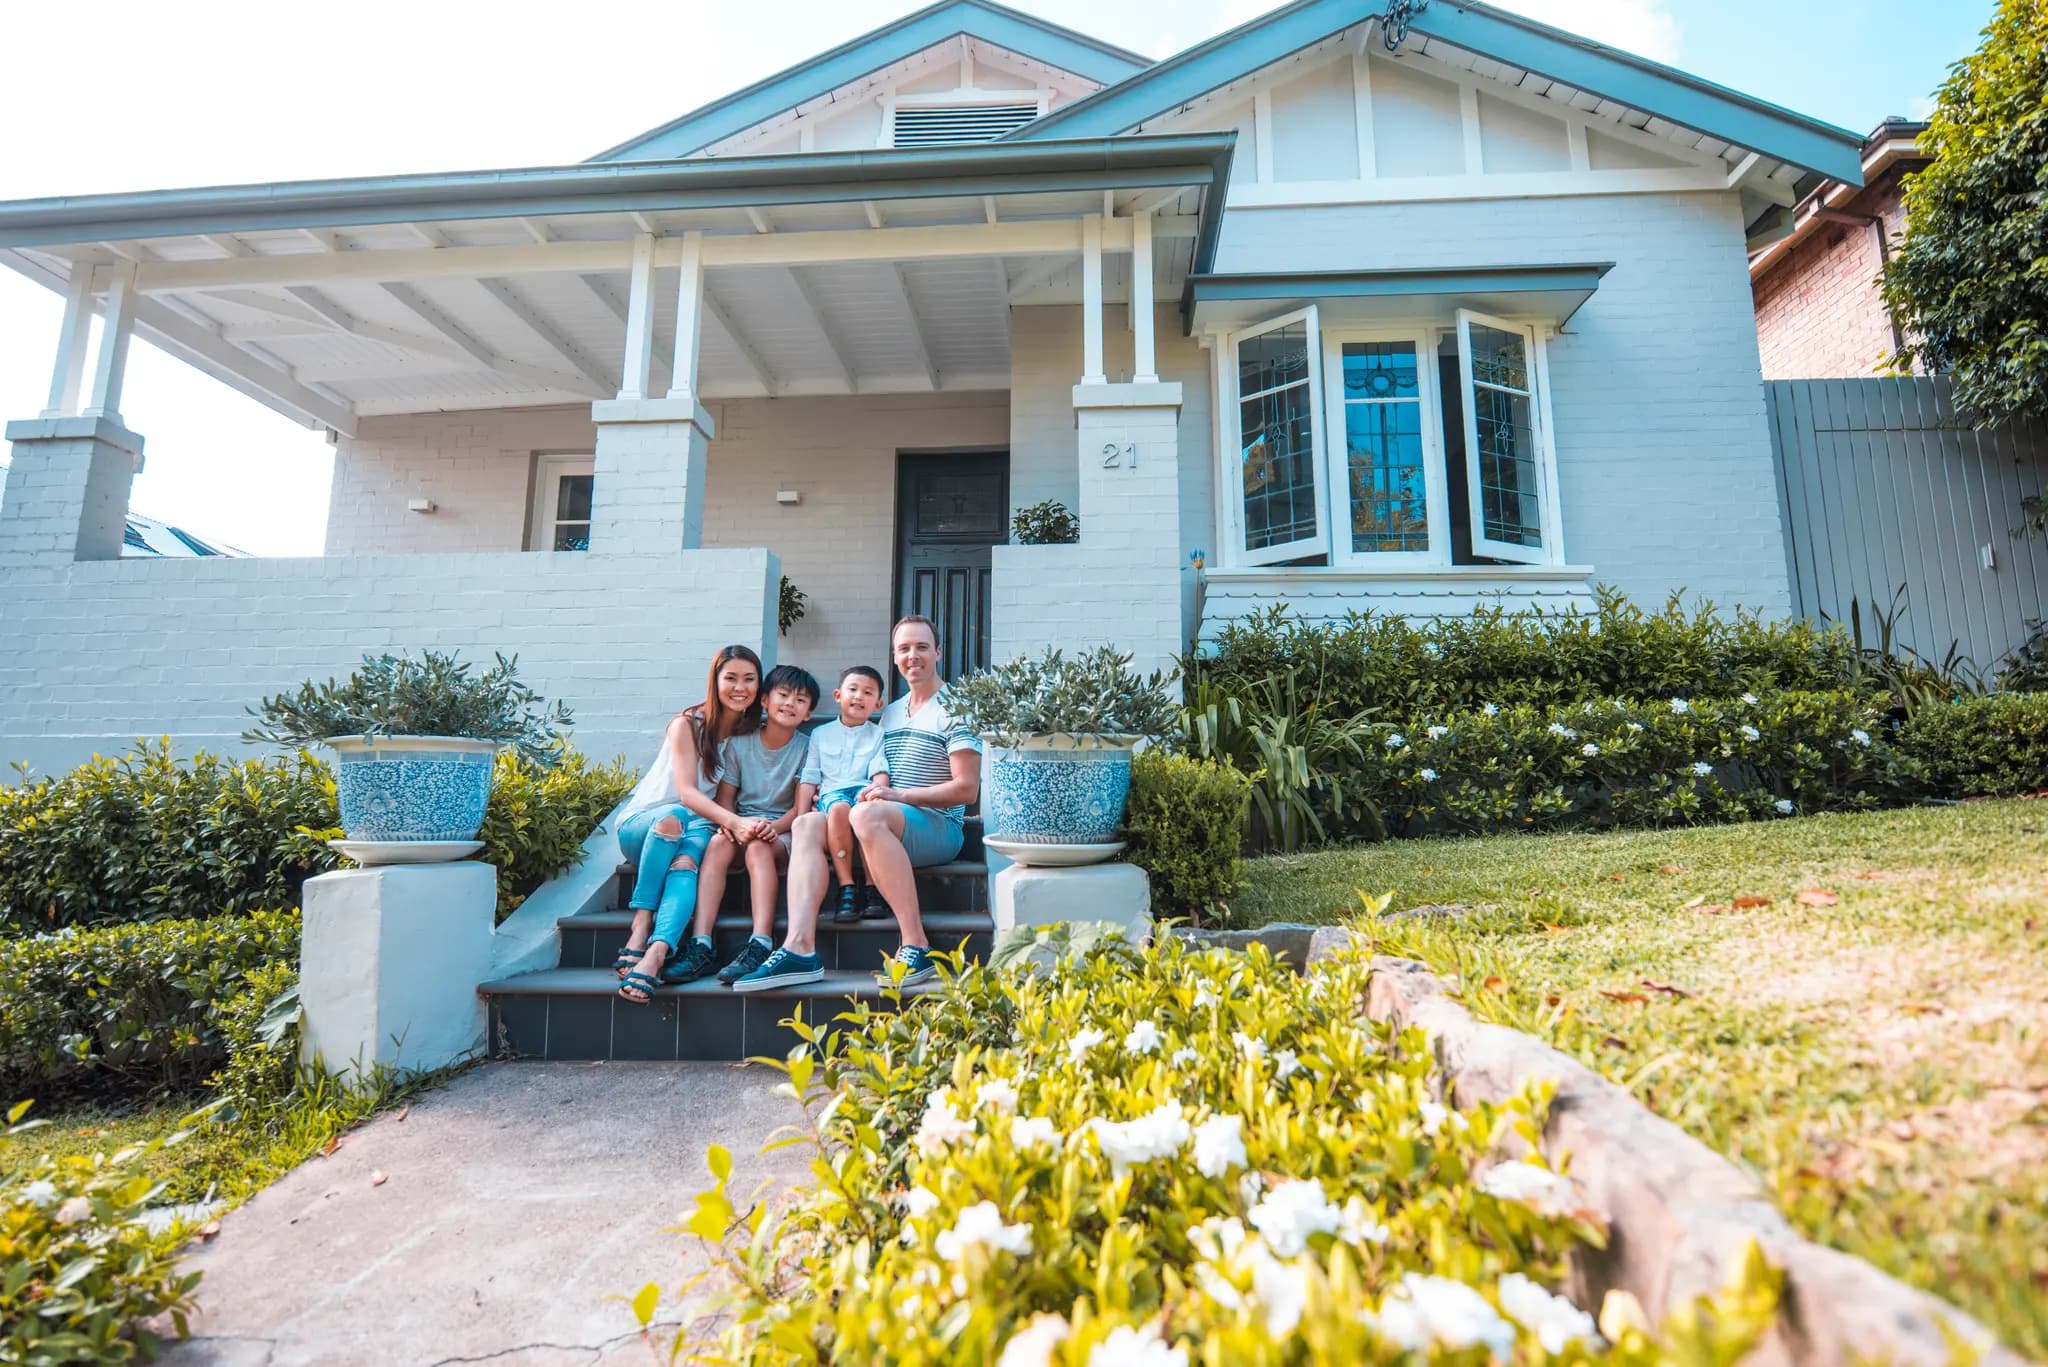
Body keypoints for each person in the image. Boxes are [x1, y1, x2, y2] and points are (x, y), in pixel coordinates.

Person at [734, 616, 980, 992]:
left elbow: (967, 790)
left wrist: (897, 795)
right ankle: (799, 947)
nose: (912, 656)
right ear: (895, 657)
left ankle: (917, 944)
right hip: (881, 822)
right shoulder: (891, 712)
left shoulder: (957, 708)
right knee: (806, 824)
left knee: (866, 814)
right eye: (904, 649)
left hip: (936, 826)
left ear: (939, 653)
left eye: (922, 647)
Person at [652, 664, 820, 991]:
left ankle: (761, 942)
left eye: (800, 700)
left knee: (758, 847)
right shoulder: (740, 745)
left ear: (809, 712)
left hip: (781, 831)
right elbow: (726, 797)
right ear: (765, 701)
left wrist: (771, 827)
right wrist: (733, 823)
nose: (789, 703)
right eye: (782, 695)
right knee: (716, 845)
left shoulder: (806, 747)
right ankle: (701, 943)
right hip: (741, 823)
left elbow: (799, 807)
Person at [614, 646, 762, 1006]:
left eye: (749, 679)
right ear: (715, 681)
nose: (739, 687)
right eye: (730, 678)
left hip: (696, 828)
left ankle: (657, 952)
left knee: (686, 863)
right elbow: (688, 794)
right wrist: (734, 823)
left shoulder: (747, 733)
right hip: (646, 825)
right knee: (676, 817)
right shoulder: (687, 725)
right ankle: (640, 923)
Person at [802, 665, 892, 925]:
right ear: (838, 695)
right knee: (840, 809)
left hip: (862, 790)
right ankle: (847, 887)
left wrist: (879, 792)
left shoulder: (878, 734)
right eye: (852, 689)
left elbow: (879, 767)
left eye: (867, 692)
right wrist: (801, 814)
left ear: (878, 703)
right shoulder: (820, 734)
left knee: (867, 813)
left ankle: (873, 887)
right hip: (833, 794)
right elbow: (810, 776)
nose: (859, 696)